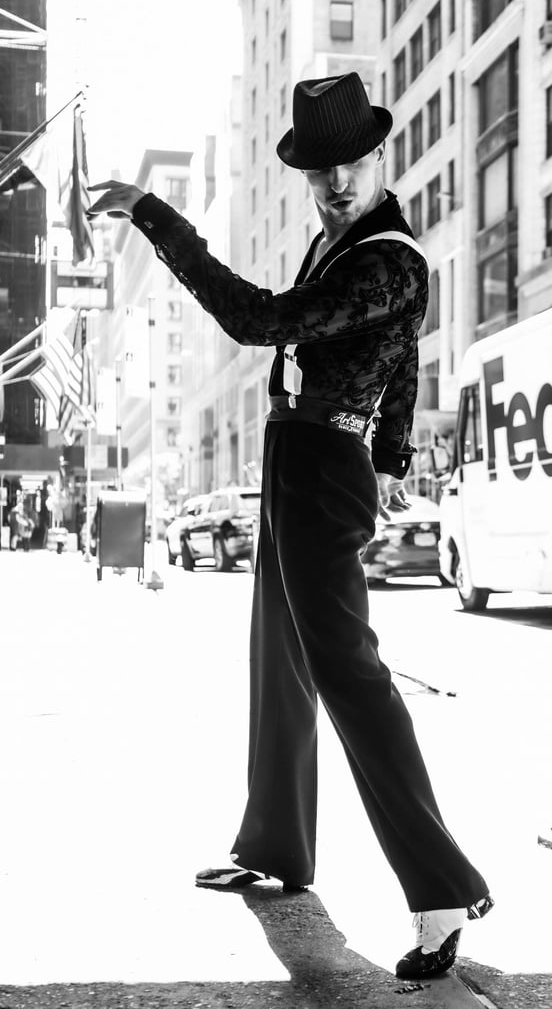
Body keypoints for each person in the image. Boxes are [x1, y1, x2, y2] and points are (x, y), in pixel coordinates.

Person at [88, 72, 492, 979]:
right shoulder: (339, 244)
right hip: (297, 458)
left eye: (349, 164)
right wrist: (392, 457)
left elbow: (260, 320)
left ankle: (441, 890)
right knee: (278, 657)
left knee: (350, 673)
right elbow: (405, 361)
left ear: (379, 156)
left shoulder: (386, 260)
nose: (335, 182)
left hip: (319, 469)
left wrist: (155, 216)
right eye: (319, 170)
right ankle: (275, 844)